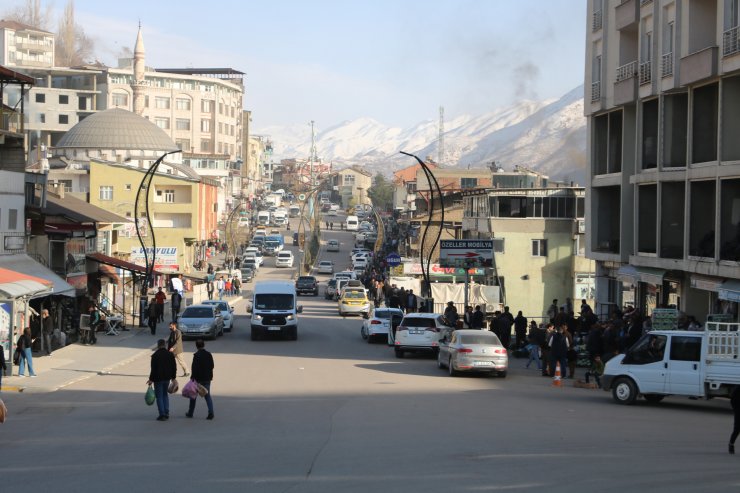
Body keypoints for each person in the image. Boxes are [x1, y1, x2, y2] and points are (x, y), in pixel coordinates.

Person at [147, 339, 177, 421]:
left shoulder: (155, 355)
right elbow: (174, 367)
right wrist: (173, 378)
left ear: (158, 345)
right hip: (167, 378)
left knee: (159, 396)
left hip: (158, 379)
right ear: (165, 345)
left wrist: (151, 379)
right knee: (165, 395)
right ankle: (166, 412)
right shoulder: (170, 355)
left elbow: (153, 369)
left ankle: (162, 414)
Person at [186, 339, 215, 420]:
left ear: (196, 346)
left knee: (193, 396)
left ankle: (190, 413)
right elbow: (212, 366)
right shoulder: (209, 354)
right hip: (207, 378)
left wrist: (192, 377)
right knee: (207, 395)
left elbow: (194, 368)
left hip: (198, 380)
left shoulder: (196, 356)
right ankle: (211, 412)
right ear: (204, 345)